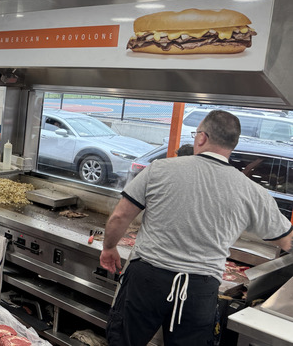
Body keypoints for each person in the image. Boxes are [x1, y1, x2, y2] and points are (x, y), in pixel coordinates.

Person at [100, 110, 293, 346]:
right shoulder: (252, 191)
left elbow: (120, 216)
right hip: (199, 290)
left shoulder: (159, 169)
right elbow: (287, 241)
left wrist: (109, 248)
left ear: (201, 137)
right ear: (233, 144)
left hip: (147, 280)